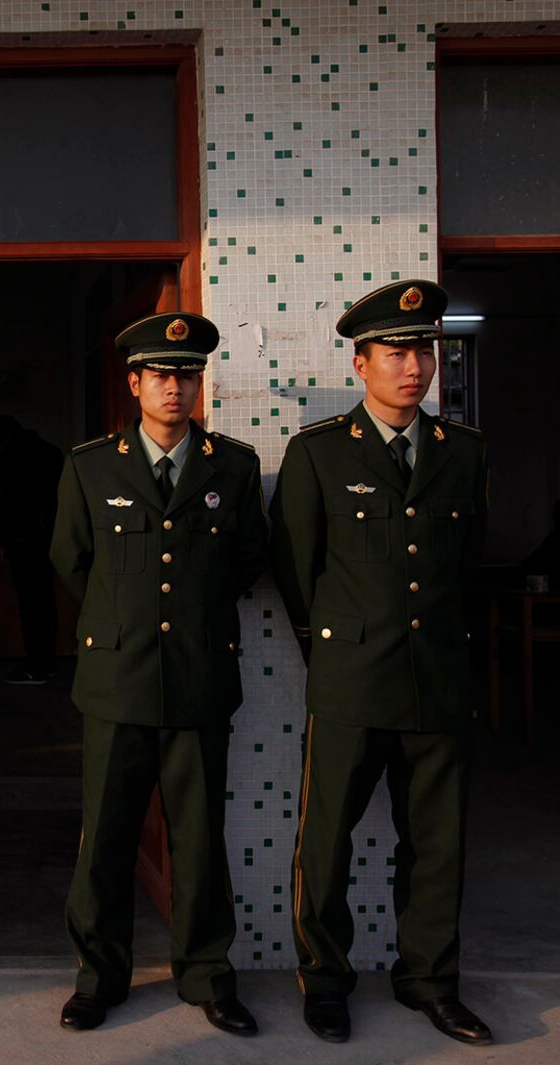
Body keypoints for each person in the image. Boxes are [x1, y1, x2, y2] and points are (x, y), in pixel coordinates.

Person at [270, 279, 492, 1046]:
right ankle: (325, 980)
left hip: (437, 680)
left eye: (423, 349)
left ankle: (429, 980)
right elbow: (297, 569)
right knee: (325, 841)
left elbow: (468, 566)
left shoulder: (463, 453)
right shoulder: (320, 453)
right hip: (350, 682)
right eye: (396, 351)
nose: (414, 365)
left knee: (436, 841)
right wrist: (337, 649)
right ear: (360, 363)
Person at [50, 312, 268, 1037]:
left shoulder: (231, 467)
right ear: (134, 382)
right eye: (162, 375)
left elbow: (245, 563)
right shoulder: (90, 464)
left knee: (200, 838)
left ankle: (205, 974)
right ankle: (98, 975)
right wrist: (123, 623)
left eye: (188, 375)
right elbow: (72, 561)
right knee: (108, 836)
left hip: (201, 680)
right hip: (117, 682)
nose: (176, 387)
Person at [0, 414, 66, 684]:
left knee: (29, 606)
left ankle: (35, 665)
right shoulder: (52, 453)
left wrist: (3, 541)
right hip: (49, 539)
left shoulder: (10, 456)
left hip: (22, 542)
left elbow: (6, 502)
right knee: (46, 603)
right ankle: (47, 663)